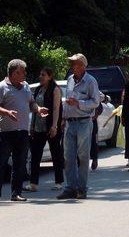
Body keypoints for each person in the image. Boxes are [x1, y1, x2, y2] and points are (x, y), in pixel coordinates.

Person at [0, 59, 49, 204]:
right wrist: (6, 112)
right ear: (14, 73)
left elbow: (31, 103)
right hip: (5, 132)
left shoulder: (26, 86)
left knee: (20, 164)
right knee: (0, 163)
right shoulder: (1, 87)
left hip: (22, 131)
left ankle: (16, 193)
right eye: (23, 71)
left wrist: (38, 109)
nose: (25, 74)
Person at [58, 54, 101, 200]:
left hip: (84, 122)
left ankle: (82, 189)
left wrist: (79, 103)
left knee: (83, 156)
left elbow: (95, 102)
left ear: (82, 65)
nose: (72, 66)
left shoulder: (90, 81)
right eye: (71, 63)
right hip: (70, 122)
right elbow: (67, 100)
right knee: (68, 157)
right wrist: (63, 117)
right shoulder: (70, 79)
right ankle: (70, 188)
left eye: (75, 63)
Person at [24, 67, 64, 193]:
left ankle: (58, 182)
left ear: (50, 76)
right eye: (40, 74)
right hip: (38, 127)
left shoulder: (55, 89)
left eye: (43, 75)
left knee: (55, 154)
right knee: (35, 155)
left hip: (50, 126)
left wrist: (54, 126)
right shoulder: (38, 90)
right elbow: (34, 109)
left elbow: (56, 109)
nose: (40, 77)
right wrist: (31, 126)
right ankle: (33, 183)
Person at [90, 90, 106, 171]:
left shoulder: (91, 84)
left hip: (91, 119)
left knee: (93, 140)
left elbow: (101, 97)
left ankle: (94, 158)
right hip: (79, 118)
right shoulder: (72, 85)